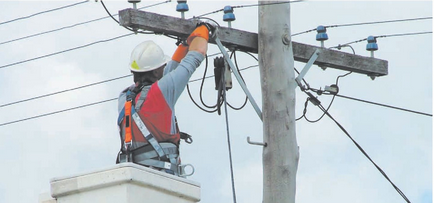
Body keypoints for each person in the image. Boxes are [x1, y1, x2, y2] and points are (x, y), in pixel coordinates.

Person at [116, 24, 212, 177]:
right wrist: (204, 32)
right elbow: (196, 55)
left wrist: (185, 44)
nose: (164, 69)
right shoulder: (162, 91)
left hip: (135, 174)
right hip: (163, 176)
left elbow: (169, 73)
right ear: (155, 71)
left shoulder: (125, 97)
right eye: (161, 66)